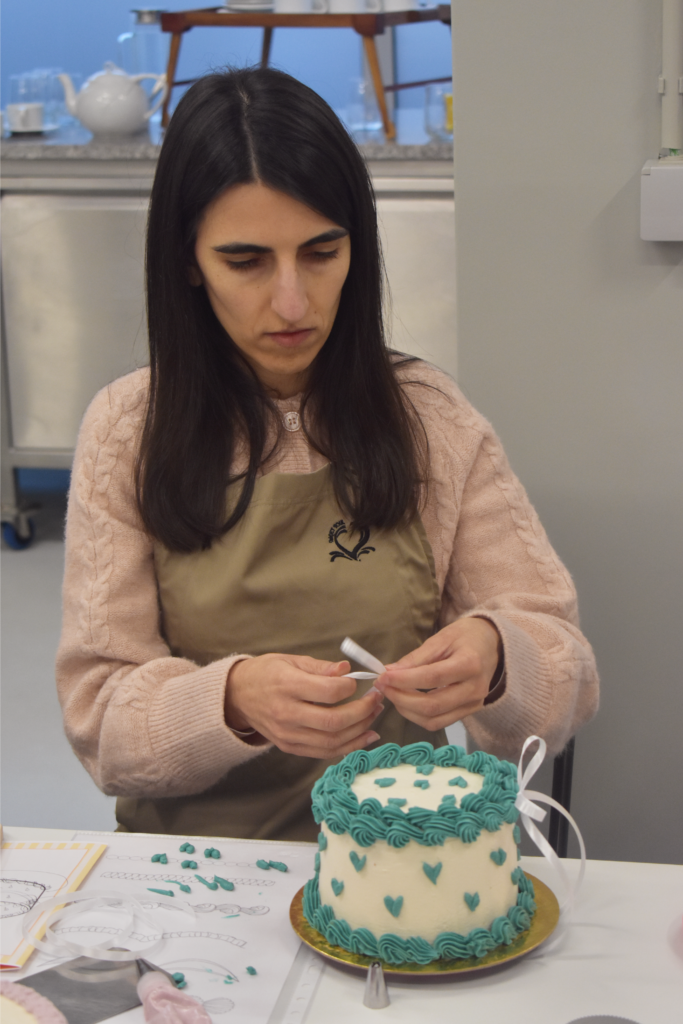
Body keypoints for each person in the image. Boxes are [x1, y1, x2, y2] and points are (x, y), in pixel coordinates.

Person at [56, 67, 599, 841]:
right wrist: (231, 701)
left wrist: (499, 659)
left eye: (321, 252)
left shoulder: (429, 418)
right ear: (187, 263)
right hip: (197, 870)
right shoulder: (127, 431)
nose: (292, 301)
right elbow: (101, 726)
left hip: (399, 859)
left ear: (357, 247)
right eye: (245, 261)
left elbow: (568, 676)